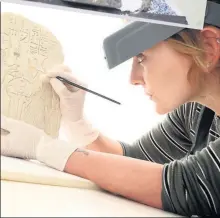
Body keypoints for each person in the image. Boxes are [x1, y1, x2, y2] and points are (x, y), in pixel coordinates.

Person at [1, 0, 220, 216]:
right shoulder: (196, 112)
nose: (133, 79)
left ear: (209, 48)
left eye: (142, 57)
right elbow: (137, 161)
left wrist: (44, 147)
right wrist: (79, 125)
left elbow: (186, 185)